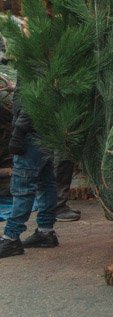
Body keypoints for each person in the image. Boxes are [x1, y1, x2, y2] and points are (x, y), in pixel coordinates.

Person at [0, 91, 59, 258]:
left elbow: (36, 94)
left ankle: (11, 238)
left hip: (31, 132)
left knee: (22, 185)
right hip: (44, 129)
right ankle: (45, 232)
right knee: (45, 181)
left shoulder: (35, 65)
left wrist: (19, 131)